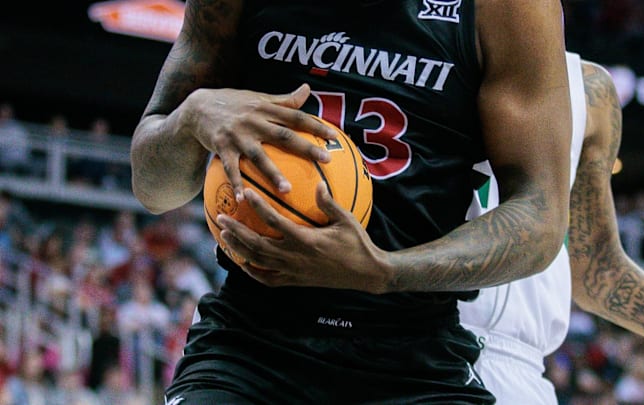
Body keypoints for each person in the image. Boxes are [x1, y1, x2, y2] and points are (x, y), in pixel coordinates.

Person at [130, 0, 572, 403]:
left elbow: (540, 218)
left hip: (415, 358)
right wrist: (192, 116)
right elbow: (154, 190)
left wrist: (383, 271)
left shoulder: (509, 9)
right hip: (250, 345)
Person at [459, 54, 644, 404]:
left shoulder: (589, 87)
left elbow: (600, 274)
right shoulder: (412, 48)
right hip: (417, 342)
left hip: (521, 372)